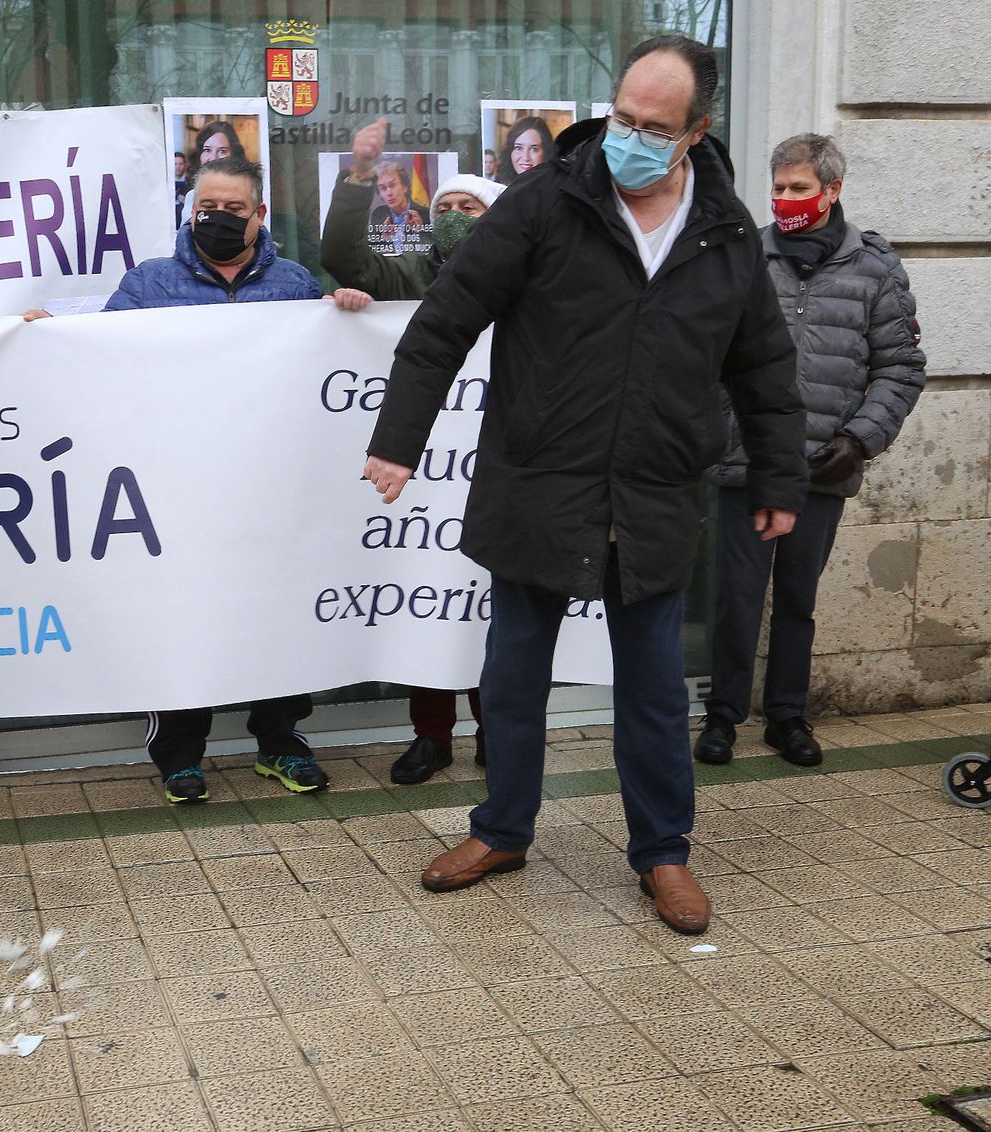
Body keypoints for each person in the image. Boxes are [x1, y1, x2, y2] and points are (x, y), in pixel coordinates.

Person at [362, 36, 806, 936]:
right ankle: (501, 830)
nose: (629, 139)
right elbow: (447, 319)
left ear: (697, 132)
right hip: (539, 480)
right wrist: (398, 440)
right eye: (624, 118)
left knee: (649, 686)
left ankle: (663, 854)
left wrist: (778, 476)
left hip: (655, 492)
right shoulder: (547, 200)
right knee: (515, 673)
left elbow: (764, 365)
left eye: (654, 128)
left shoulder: (724, 234)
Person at [694, 134, 925, 769]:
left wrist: (860, 440)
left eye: (800, 189)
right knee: (736, 599)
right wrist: (724, 430)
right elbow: (706, 355)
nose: (786, 200)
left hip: (823, 466)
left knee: (798, 599)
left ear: (832, 191)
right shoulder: (744, 255)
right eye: (779, 188)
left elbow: (901, 369)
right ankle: (722, 719)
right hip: (746, 465)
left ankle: (788, 717)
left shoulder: (874, 268)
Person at [105, 156, 328, 804]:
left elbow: (325, 369)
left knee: (277, 615)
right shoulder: (149, 283)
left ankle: (281, 743)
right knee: (182, 617)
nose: (220, 219)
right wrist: (41, 337)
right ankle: (179, 755)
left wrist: (347, 310)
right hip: (178, 489)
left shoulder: (292, 284)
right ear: (189, 210)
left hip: (270, 487)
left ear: (259, 215)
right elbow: (92, 355)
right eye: (209, 208)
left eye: (234, 210)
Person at [321, 115, 503, 784]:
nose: (455, 216)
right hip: (423, 488)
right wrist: (359, 175)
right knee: (428, 597)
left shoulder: (527, 285)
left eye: (470, 208)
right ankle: (431, 736)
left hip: (493, 475)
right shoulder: (412, 274)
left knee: (489, 606)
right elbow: (347, 259)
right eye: (447, 207)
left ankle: (497, 732)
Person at [368, 161, 433, 255]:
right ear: (380, 195)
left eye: (392, 185)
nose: (389, 193)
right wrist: (387, 240)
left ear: (405, 187)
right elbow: (372, 252)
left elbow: (432, 252)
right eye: (383, 188)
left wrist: (418, 233)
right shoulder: (379, 214)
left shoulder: (425, 214)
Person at [497, 115, 555, 184]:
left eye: (534, 149)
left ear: (546, 152)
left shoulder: (557, 191)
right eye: (519, 148)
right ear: (510, 151)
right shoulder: (498, 188)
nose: (525, 158)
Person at [173, 151, 189, 226]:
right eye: (175, 164)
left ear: (185, 165)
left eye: (181, 164)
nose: (178, 167)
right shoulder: (164, 183)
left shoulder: (191, 183)